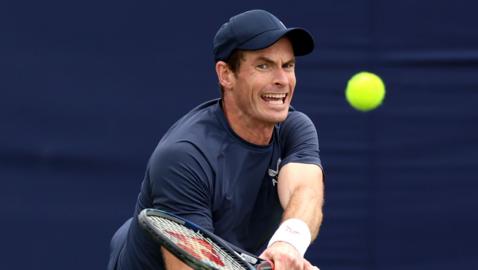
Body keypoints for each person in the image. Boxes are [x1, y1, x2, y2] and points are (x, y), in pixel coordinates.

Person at [108, 9, 324, 270]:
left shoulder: (294, 127)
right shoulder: (184, 157)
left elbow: (305, 192)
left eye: (287, 65)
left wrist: (287, 245)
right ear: (226, 75)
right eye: (263, 65)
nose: (281, 80)